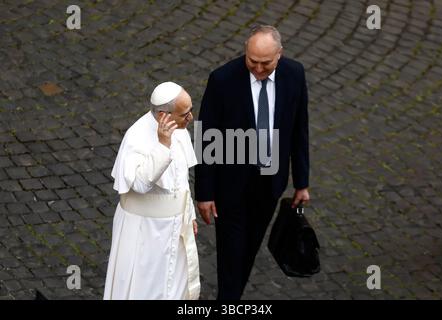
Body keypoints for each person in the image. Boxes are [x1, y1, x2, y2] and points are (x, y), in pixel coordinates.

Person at [195, 25, 310, 300]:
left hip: (270, 183)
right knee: (231, 255)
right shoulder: (222, 80)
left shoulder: (294, 74)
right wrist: (205, 193)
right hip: (230, 186)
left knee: (248, 250)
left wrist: (301, 182)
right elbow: (206, 137)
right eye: (252, 61)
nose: (258, 69)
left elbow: (299, 128)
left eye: (265, 63)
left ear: (279, 55)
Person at [104, 81, 200, 300]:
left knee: (174, 289)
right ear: (163, 115)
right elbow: (139, 183)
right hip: (144, 232)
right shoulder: (136, 137)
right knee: (143, 290)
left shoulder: (179, 129)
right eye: (184, 113)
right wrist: (163, 145)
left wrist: (190, 214)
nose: (191, 118)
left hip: (175, 229)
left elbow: (182, 179)